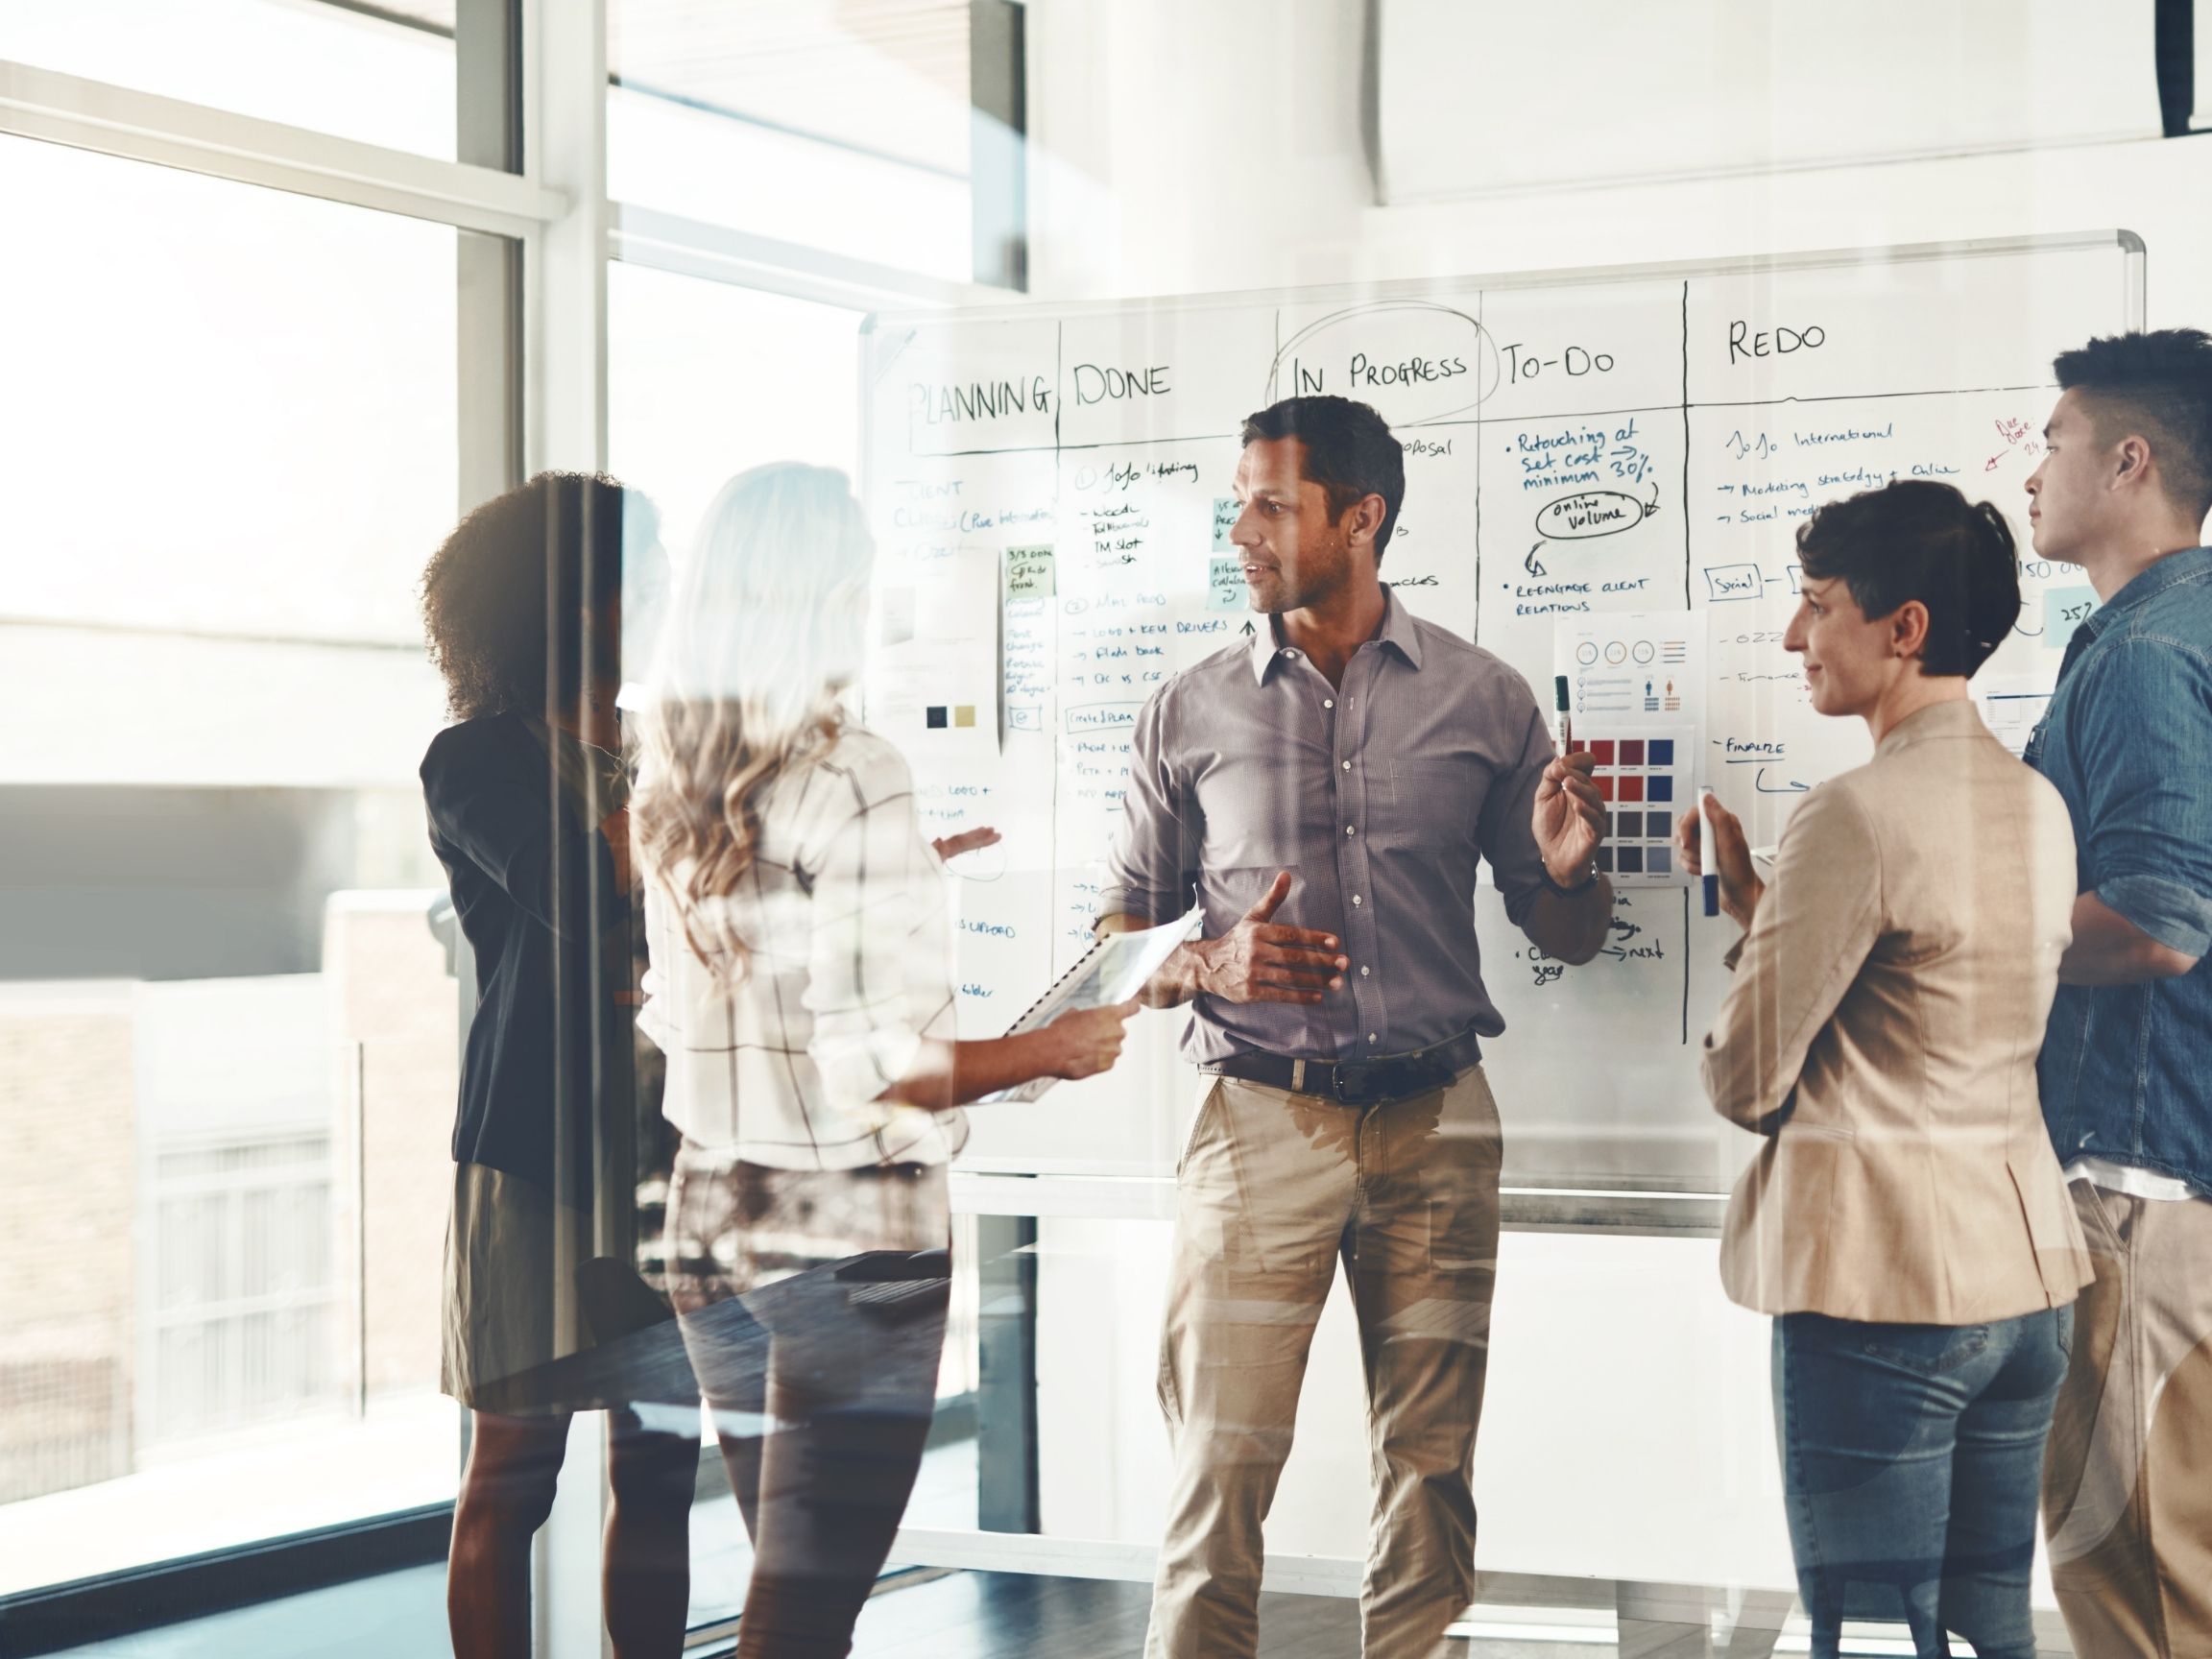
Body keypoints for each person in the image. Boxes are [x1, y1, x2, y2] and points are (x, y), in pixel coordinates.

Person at [1098, 395, 1612, 1659]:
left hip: (1438, 1128)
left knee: (1430, 1477)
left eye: (1271, 503)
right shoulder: (1188, 710)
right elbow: (1121, 948)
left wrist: (1568, 870)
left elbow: (1572, 934)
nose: (1241, 531)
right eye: (1239, 502)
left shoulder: (1487, 703)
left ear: (1361, 518)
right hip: (1261, 1122)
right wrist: (1210, 959)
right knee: (1220, 1477)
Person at [628, 462, 1139, 1659]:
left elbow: (735, 968)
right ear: (829, 594)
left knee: (791, 1590)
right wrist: (1052, 1047)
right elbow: (881, 1068)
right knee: (803, 1618)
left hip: (710, 1212)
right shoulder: (853, 771)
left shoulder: (674, 769)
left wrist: (908, 873)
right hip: (848, 1230)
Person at [1686, 479, 2092, 1659]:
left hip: (1883, 1297)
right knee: (1984, 1631)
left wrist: (1753, 930)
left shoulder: (1851, 814)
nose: (1791, 636)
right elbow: (1926, 1000)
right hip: (2019, 1285)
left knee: (1867, 1632)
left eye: (1815, 606)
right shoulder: (2035, 802)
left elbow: (1747, 1080)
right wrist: (1772, 911)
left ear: (1903, 628)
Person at [418, 472, 696, 1659]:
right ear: (578, 599)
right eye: (649, 570)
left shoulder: (671, 748)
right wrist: (697, 802)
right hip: (537, 1154)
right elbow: (577, 892)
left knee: (664, 1464)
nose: (671, 593)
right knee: (516, 1474)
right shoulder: (474, 759)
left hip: (674, 1148)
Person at [2020, 328, 2212, 1656]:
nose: (2032, 468)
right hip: (2164, 1171)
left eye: (2055, 440)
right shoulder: (2164, 630)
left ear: (2129, 461)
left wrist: (1961, 949)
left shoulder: (2147, 651)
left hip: (2133, 1182)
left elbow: (2156, 922)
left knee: (2133, 1570)